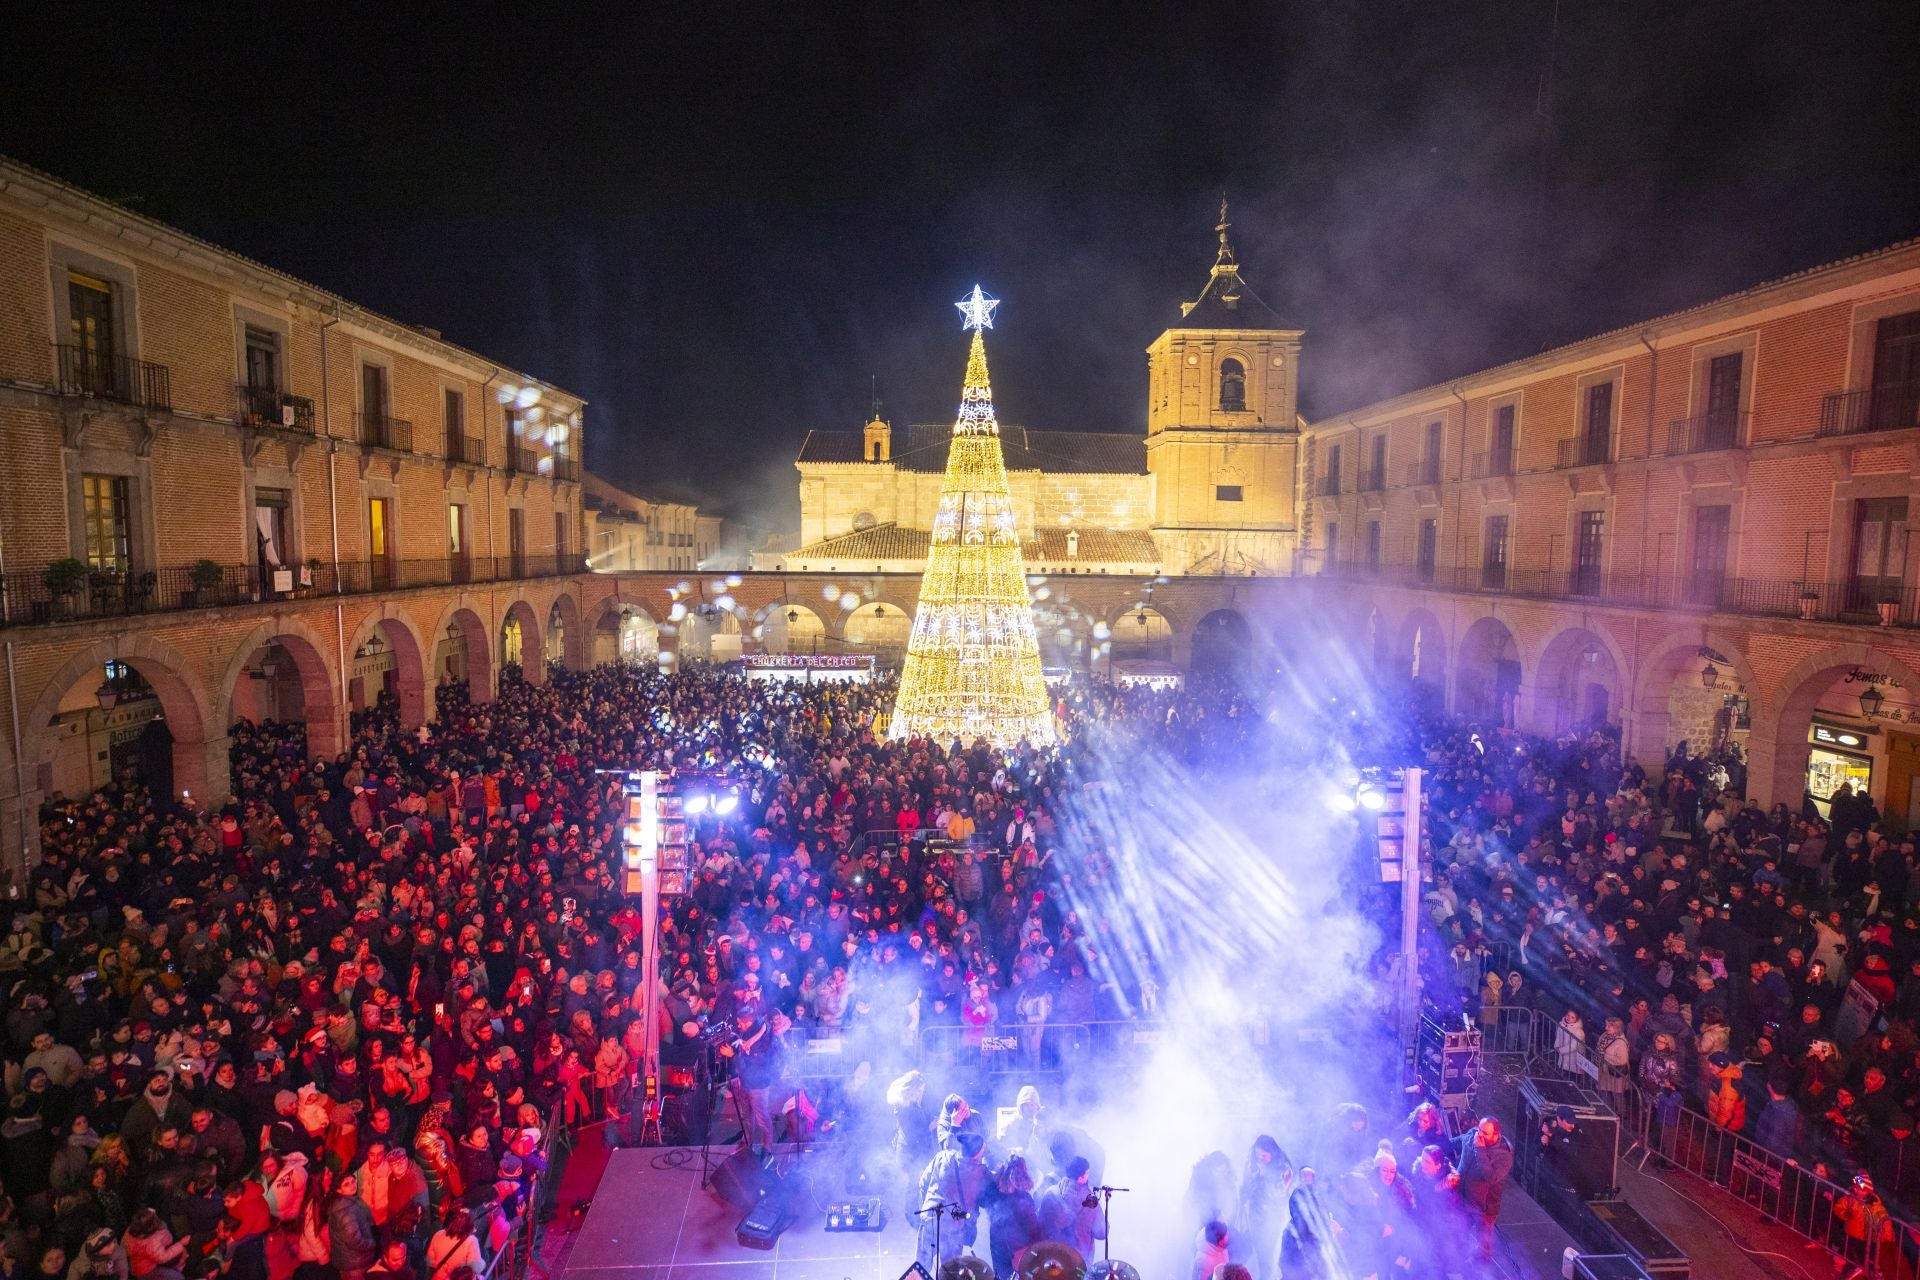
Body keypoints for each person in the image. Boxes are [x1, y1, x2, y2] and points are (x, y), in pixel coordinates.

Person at [914, 1130, 988, 1275]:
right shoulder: (978, 1172)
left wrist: (924, 1208)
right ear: (977, 1154)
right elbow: (977, 1204)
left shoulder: (942, 1157)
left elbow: (922, 1183)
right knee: (949, 1271)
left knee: (921, 1268)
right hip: (954, 1229)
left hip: (930, 1219)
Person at [1455, 1116, 1512, 1263]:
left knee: (1483, 1244)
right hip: (1463, 1196)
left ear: (1496, 1134)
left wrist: (1480, 1149)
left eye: (1485, 1133)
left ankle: (1481, 1267)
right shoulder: (1473, 1135)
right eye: (1479, 1130)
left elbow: (1491, 1177)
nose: (1479, 1135)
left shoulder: (1504, 1155)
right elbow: (1459, 1141)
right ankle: (1459, 1260)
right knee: (1459, 1233)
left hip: (1484, 1206)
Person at [1233, 1136, 1291, 1280]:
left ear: (1272, 1153)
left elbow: (1279, 1194)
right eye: (1258, 1155)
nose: (1260, 1158)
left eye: (1264, 1156)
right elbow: (1246, 1184)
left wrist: (1263, 1175)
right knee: (1247, 1251)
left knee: (1266, 1257)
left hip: (1271, 1218)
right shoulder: (1252, 1163)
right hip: (1254, 1214)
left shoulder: (1283, 1168)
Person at [983, 1155, 1040, 1280]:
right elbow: (1033, 1230)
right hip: (1019, 1253)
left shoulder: (992, 1189)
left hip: (998, 1250)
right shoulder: (1024, 1198)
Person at [1038, 1157, 1105, 1258]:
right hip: (1079, 1260)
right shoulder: (1091, 1202)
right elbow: (1102, 1233)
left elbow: (1040, 1223)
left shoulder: (1050, 1193)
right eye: (1088, 1173)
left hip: (1053, 1256)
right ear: (1082, 1176)